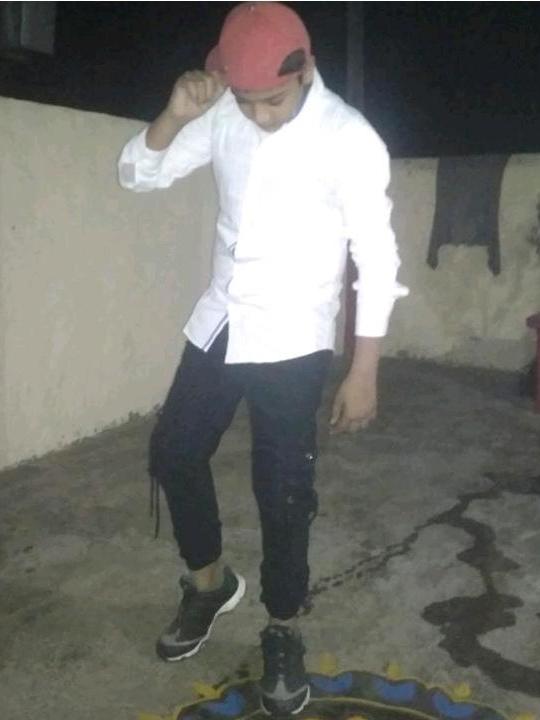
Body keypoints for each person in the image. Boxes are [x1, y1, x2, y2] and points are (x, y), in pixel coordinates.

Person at [118, 2, 407, 715]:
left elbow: (376, 256)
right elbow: (138, 175)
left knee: (283, 493)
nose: (259, 116)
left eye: (272, 101)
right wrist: (175, 115)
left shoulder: (348, 138)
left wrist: (363, 368)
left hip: (293, 336)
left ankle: (282, 627)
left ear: (306, 70)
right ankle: (210, 584)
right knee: (174, 452)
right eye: (247, 102)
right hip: (222, 320)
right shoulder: (225, 114)